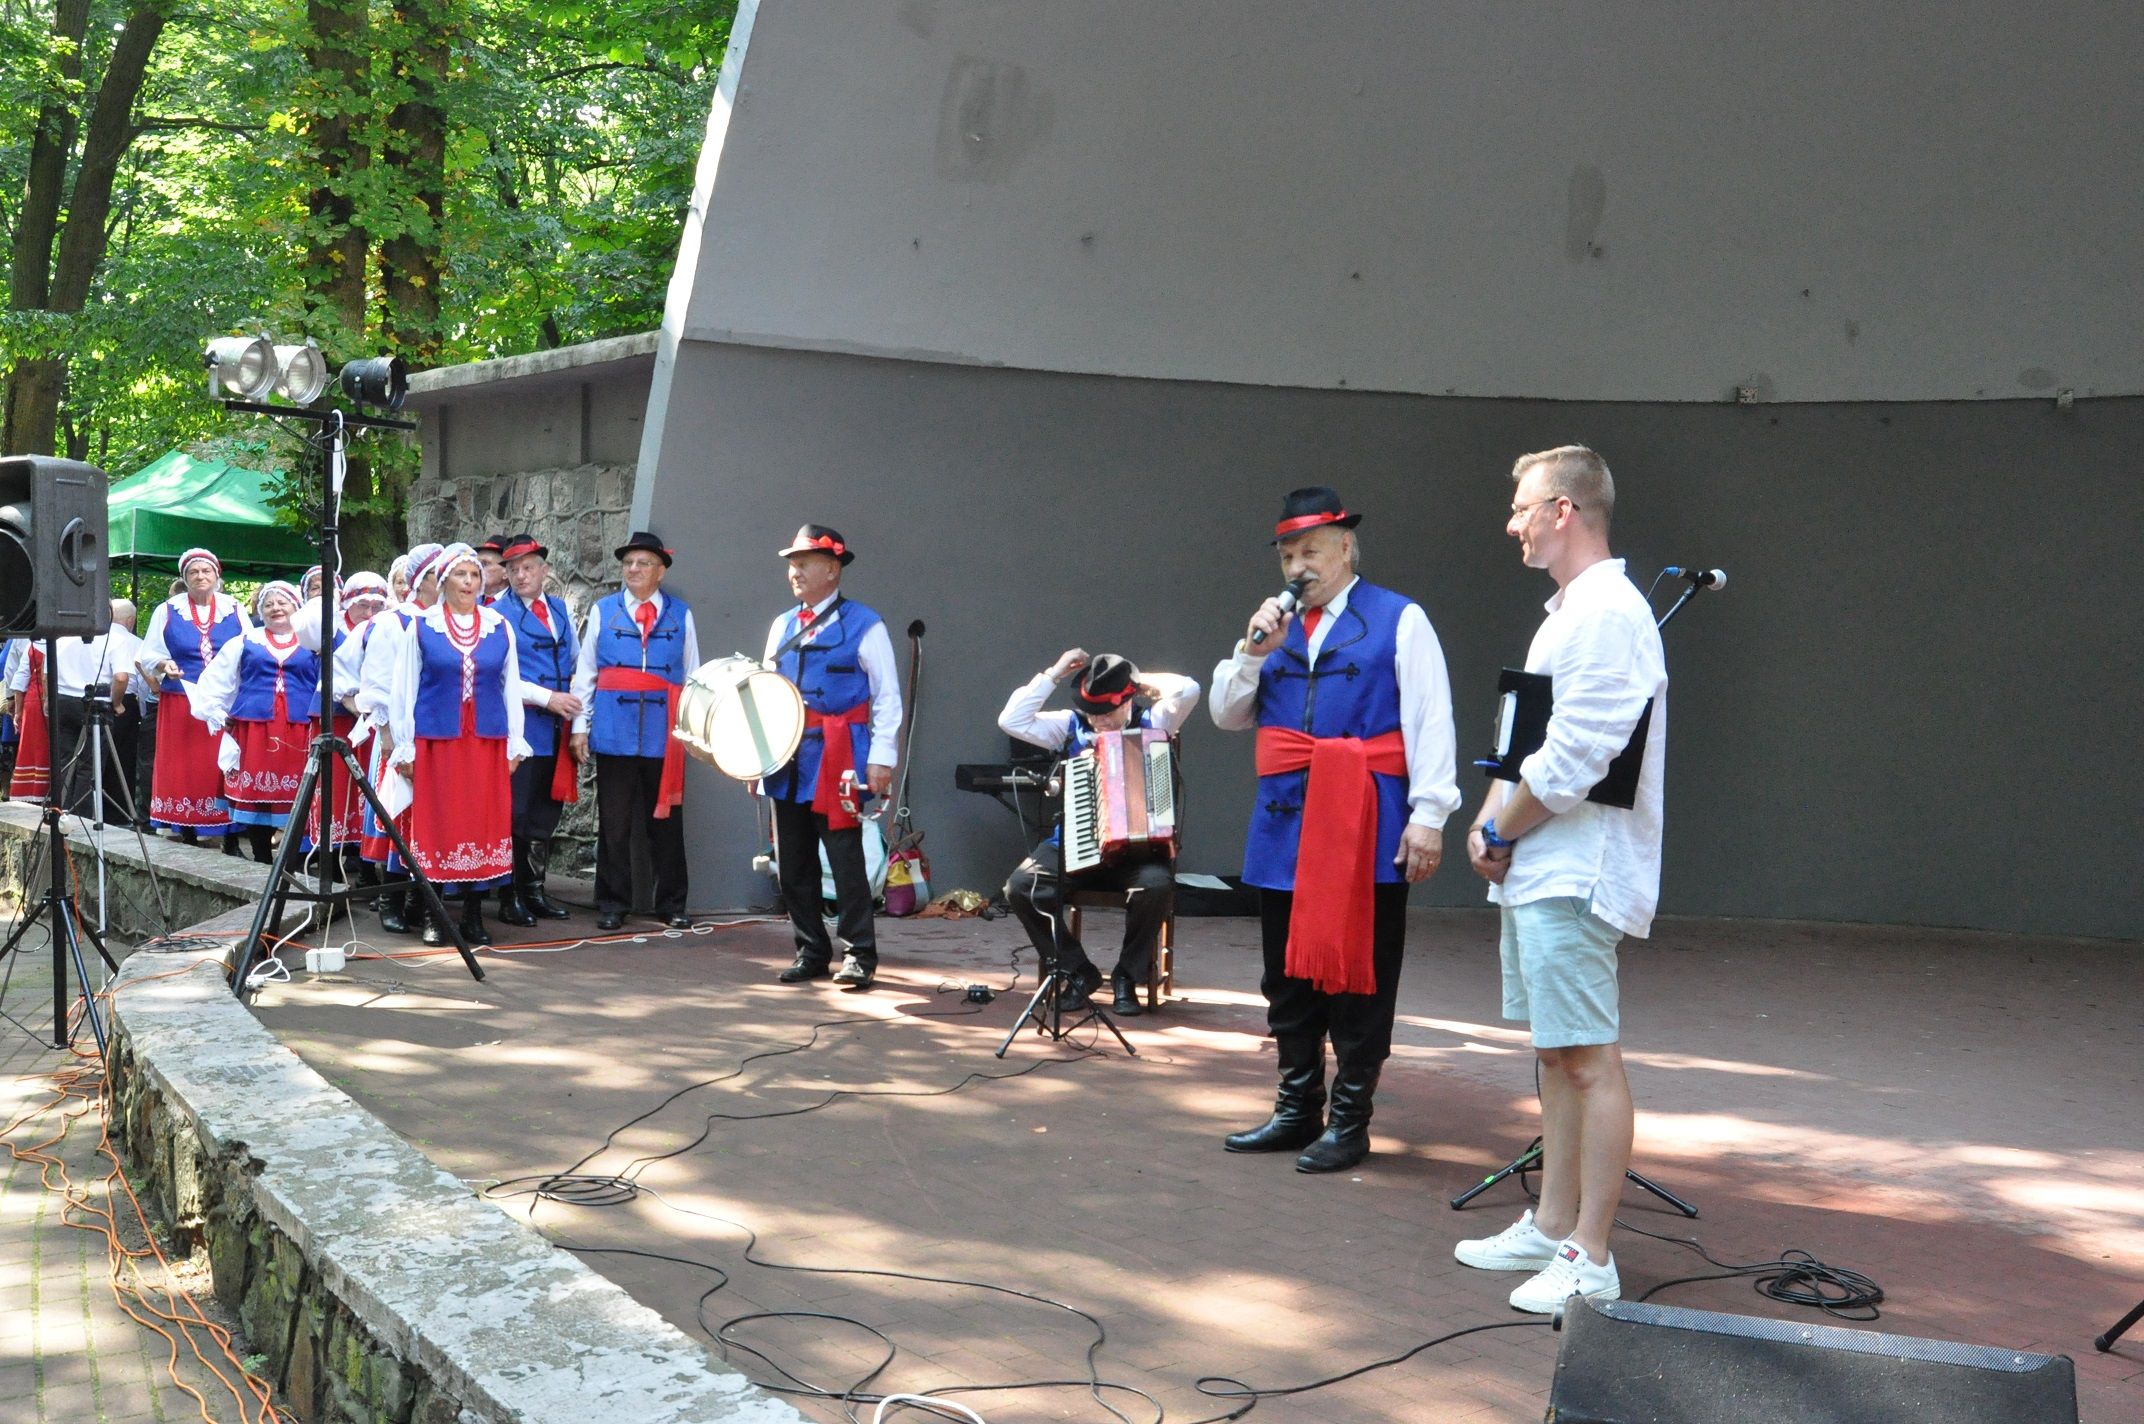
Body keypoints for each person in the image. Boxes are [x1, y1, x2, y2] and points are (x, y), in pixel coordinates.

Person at [1454, 446, 1668, 1315]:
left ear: (1563, 511)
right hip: (1541, 865)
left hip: (1579, 869)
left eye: (1522, 507)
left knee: (1587, 1058)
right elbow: (1524, 745)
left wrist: (1498, 828)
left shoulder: (1609, 613)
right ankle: (1551, 1226)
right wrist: (1489, 823)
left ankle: (1593, 1254)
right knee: (1556, 1053)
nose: (1512, 523)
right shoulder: (1569, 614)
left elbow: (1579, 755)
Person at [1209, 487, 1458, 1173]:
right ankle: (1296, 1110)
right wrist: (1253, 653)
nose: (1298, 568)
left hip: (1365, 821)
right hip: (1285, 827)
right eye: (1287, 556)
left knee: (1360, 975)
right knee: (1286, 975)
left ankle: (1350, 1121)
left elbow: (1431, 720)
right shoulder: (1273, 631)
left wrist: (1429, 817)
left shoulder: (1400, 618)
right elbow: (1228, 714)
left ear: (1345, 547)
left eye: (1310, 552)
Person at [999, 652, 1200, 1015]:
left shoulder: (1154, 721)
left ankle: (1127, 976)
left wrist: (1138, 680)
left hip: (1137, 854)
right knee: (1021, 886)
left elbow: (1189, 689)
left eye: (1107, 712)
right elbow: (1011, 719)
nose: (1099, 721)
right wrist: (1054, 674)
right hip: (1074, 846)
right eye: (1093, 713)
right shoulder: (1069, 725)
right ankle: (1078, 971)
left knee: (1156, 886)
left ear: (1128, 700)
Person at [759, 525, 902, 990]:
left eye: (804, 563)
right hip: (787, 756)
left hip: (839, 756)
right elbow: (765, 694)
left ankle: (860, 953)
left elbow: (887, 697)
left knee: (845, 859)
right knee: (792, 862)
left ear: (833, 569)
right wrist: (756, 758)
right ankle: (811, 950)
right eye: (792, 564)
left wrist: (881, 759)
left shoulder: (866, 624)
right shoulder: (781, 625)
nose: (794, 572)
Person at [386, 543, 528, 946]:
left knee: (482, 822)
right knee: (438, 823)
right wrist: (405, 745)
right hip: (437, 742)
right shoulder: (422, 627)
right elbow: (404, 689)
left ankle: (473, 914)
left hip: (485, 741)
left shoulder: (499, 627)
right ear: (444, 581)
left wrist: (515, 742)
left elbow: (510, 686)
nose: (468, 582)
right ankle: (434, 914)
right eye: (460, 575)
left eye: (474, 575)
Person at [569, 531, 698, 932]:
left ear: (661, 571)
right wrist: (579, 727)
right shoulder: (603, 611)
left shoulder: (681, 614)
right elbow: (585, 674)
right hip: (614, 731)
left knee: (667, 823)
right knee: (614, 823)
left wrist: (692, 731)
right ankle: (612, 903)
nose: (633, 569)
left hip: (665, 734)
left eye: (643, 563)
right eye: (628, 563)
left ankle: (672, 903)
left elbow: (694, 676)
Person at [191, 581, 317, 863]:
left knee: (300, 794)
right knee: (256, 795)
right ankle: (262, 857)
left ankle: (294, 861)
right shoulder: (246, 641)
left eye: (282, 603)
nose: (275, 608)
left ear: (296, 607)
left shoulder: (311, 641)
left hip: (301, 729)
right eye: (268, 604)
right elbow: (216, 678)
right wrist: (216, 711)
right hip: (255, 729)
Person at [358, 542, 445, 932]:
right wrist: (389, 738)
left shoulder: (451, 621)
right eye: (437, 575)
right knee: (399, 812)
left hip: (440, 734)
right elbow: (376, 684)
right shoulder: (392, 623)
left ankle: (417, 898)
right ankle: (390, 898)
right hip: (401, 733)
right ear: (420, 580)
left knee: (432, 817)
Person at [494, 533, 581, 922]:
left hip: (556, 730)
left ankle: (534, 891)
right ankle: (509, 895)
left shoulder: (560, 610)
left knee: (545, 813)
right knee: (515, 813)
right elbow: (501, 675)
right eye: (513, 570)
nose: (521, 576)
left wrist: (576, 716)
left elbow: (576, 662)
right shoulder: (498, 613)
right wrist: (548, 698)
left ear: (544, 570)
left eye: (528, 568)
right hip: (521, 727)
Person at [138, 548, 250, 840]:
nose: (200, 576)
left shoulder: (234, 608)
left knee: (222, 761)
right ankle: (185, 827)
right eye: (193, 572)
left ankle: (228, 832)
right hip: (181, 699)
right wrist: (164, 664)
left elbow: (251, 648)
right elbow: (148, 653)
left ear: (217, 575)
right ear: (184, 578)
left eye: (206, 571)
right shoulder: (167, 610)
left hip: (223, 700)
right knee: (183, 765)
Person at [52, 600, 141, 821]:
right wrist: (117, 703)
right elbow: (121, 677)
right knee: (89, 764)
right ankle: (82, 817)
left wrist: (47, 699)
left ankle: (61, 812)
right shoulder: (116, 639)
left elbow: (47, 672)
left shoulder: (62, 637)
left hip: (63, 701)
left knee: (64, 760)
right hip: (94, 706)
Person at [4, 639, 52, 802]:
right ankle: (53, 791)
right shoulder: (69, 642)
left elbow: (18, 677)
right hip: (57, 699)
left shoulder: (30, 644)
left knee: (34, 748)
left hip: (34, 701)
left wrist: (18, 710)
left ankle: (31, 791)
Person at [475, 535, 510, 605]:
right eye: (476, 563)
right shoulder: (467, 596)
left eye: (484, 564)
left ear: (507, 572)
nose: (476, 568)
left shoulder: (518, 607)